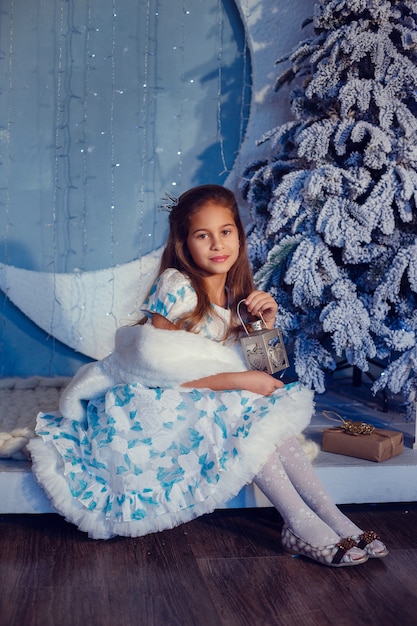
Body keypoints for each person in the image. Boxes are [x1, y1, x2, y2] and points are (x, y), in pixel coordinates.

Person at [28, 184, 388, 566]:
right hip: (153, 404)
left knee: (262, 416)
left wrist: (265, 326)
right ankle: (298, 522)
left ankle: (330, 515)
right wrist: (240, 382)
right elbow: (155, 366)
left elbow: (269, 372)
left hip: (211, 400)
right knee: (242, 412)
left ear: (238, 235)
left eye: (226, 232)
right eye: (203, 235)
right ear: (185, 243)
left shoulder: (238, 296)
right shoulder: (176, 286)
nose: (218, 245)